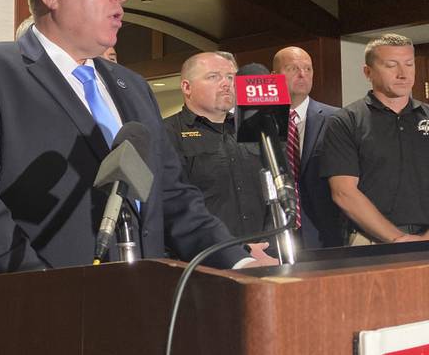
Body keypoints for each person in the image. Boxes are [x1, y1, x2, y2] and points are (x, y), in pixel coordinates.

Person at [0, 0, 274, 279]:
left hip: (142, 302)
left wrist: (236, 260)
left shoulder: (132, 86)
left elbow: (172, 194)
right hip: (37, 308)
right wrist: (41, 288)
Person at [321, 34, 429, 245]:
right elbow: (344, 192)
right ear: (367, 72)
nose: (403, 73)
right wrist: (398, 238)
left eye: (409, 64)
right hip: (370, 240)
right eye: (391, 65)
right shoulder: (346, 121)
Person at [163, 52, 270, 256]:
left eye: (231, 77)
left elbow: (276, 189)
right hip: (205, 259)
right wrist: (237, 251)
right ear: (187, 87)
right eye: (214, 77)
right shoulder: (167, 134)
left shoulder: (254, 128)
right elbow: (176, 207)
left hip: (265, 254)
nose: (226, 84)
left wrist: (267, 245)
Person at [272, 46, 344, 248]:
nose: (302, 74)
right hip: (274, 231)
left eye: (308, 68)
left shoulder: (337, 119)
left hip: (325, 232)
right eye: (293, 69)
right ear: (274, 76)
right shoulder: (259, 122)